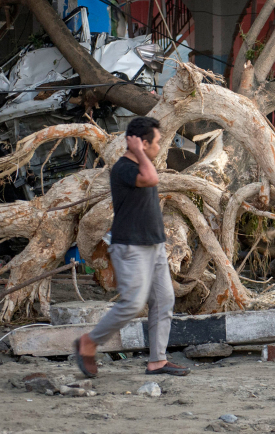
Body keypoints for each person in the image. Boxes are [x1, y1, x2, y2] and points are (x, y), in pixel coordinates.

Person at [74, 117, 190, 377]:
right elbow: (150, 178)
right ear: (143, 143)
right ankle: (89, 342)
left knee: (164, 301)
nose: (159, 147)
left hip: (154, 245)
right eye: (157, 142)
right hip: (131, 247)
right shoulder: (124, 168)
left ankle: (157, 361)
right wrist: (137, 151)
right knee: (132, 303)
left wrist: (142, 153)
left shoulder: (142, 164)